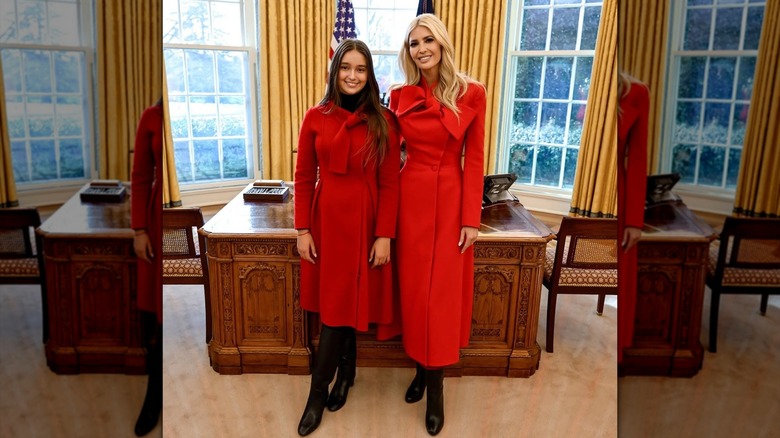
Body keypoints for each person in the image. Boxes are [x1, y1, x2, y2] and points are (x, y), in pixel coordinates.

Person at [294, 38, 401, 436]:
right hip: (326, 221)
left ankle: (323, 390)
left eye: (360, 69)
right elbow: (304, 177)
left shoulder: (385, 120)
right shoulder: (315, 117)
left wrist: (384, 235)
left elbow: (390, 184)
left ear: (369, 74)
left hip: (367, 220)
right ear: (334, 71)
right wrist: (302, 228)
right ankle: (334, 382)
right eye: (345, 68)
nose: (352, 76)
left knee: (348, 303)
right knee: (336, 305)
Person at [388, 13, 486, 436]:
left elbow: (476, 158)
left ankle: (436, 389)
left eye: (428, 40)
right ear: (408, 52)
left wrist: (471, 218)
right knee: (414, 293)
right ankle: (419, 368)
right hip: (409, 198)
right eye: (413, 43)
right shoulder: (398, 95)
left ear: (442, 43)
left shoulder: (473, 92)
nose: (421, 48)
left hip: (449, 198)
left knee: (440, 298)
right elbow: (390, 156)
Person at [130, 98, 163, 436]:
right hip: (153, 222)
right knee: (156, 316)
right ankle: (153, 397)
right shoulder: (151, 116)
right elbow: (140, 177)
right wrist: (138, 229)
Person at [616, 71, 649, 365]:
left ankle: (619, 355)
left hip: (622, 198)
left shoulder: (636, 92)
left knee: (624, 278)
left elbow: (638, 158)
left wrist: (635, 221)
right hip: (606, 188)